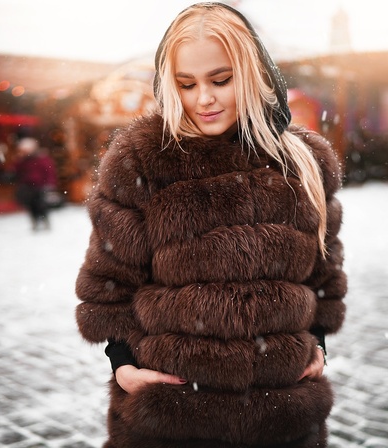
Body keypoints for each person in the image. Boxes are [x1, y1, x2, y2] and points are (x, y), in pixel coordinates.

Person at [74, 3, 347, 447]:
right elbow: (109, 287)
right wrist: (124, 369)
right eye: (187, 84)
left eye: (221, 80)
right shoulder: (142, 160)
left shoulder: (303, 164)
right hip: (171, 421)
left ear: (252, 73)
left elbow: (324, 278)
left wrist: (317, 346)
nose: (204, 98)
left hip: (282, 420)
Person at [13, 137, 57, 230]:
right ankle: (35, 222)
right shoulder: (23, 161)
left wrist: (50, 184)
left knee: (41, 205)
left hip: (40, 186)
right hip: (28, 187)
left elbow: (49, 171)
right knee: (31, 206)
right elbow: (16, 171)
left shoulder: (41, 158)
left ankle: (45, 222)